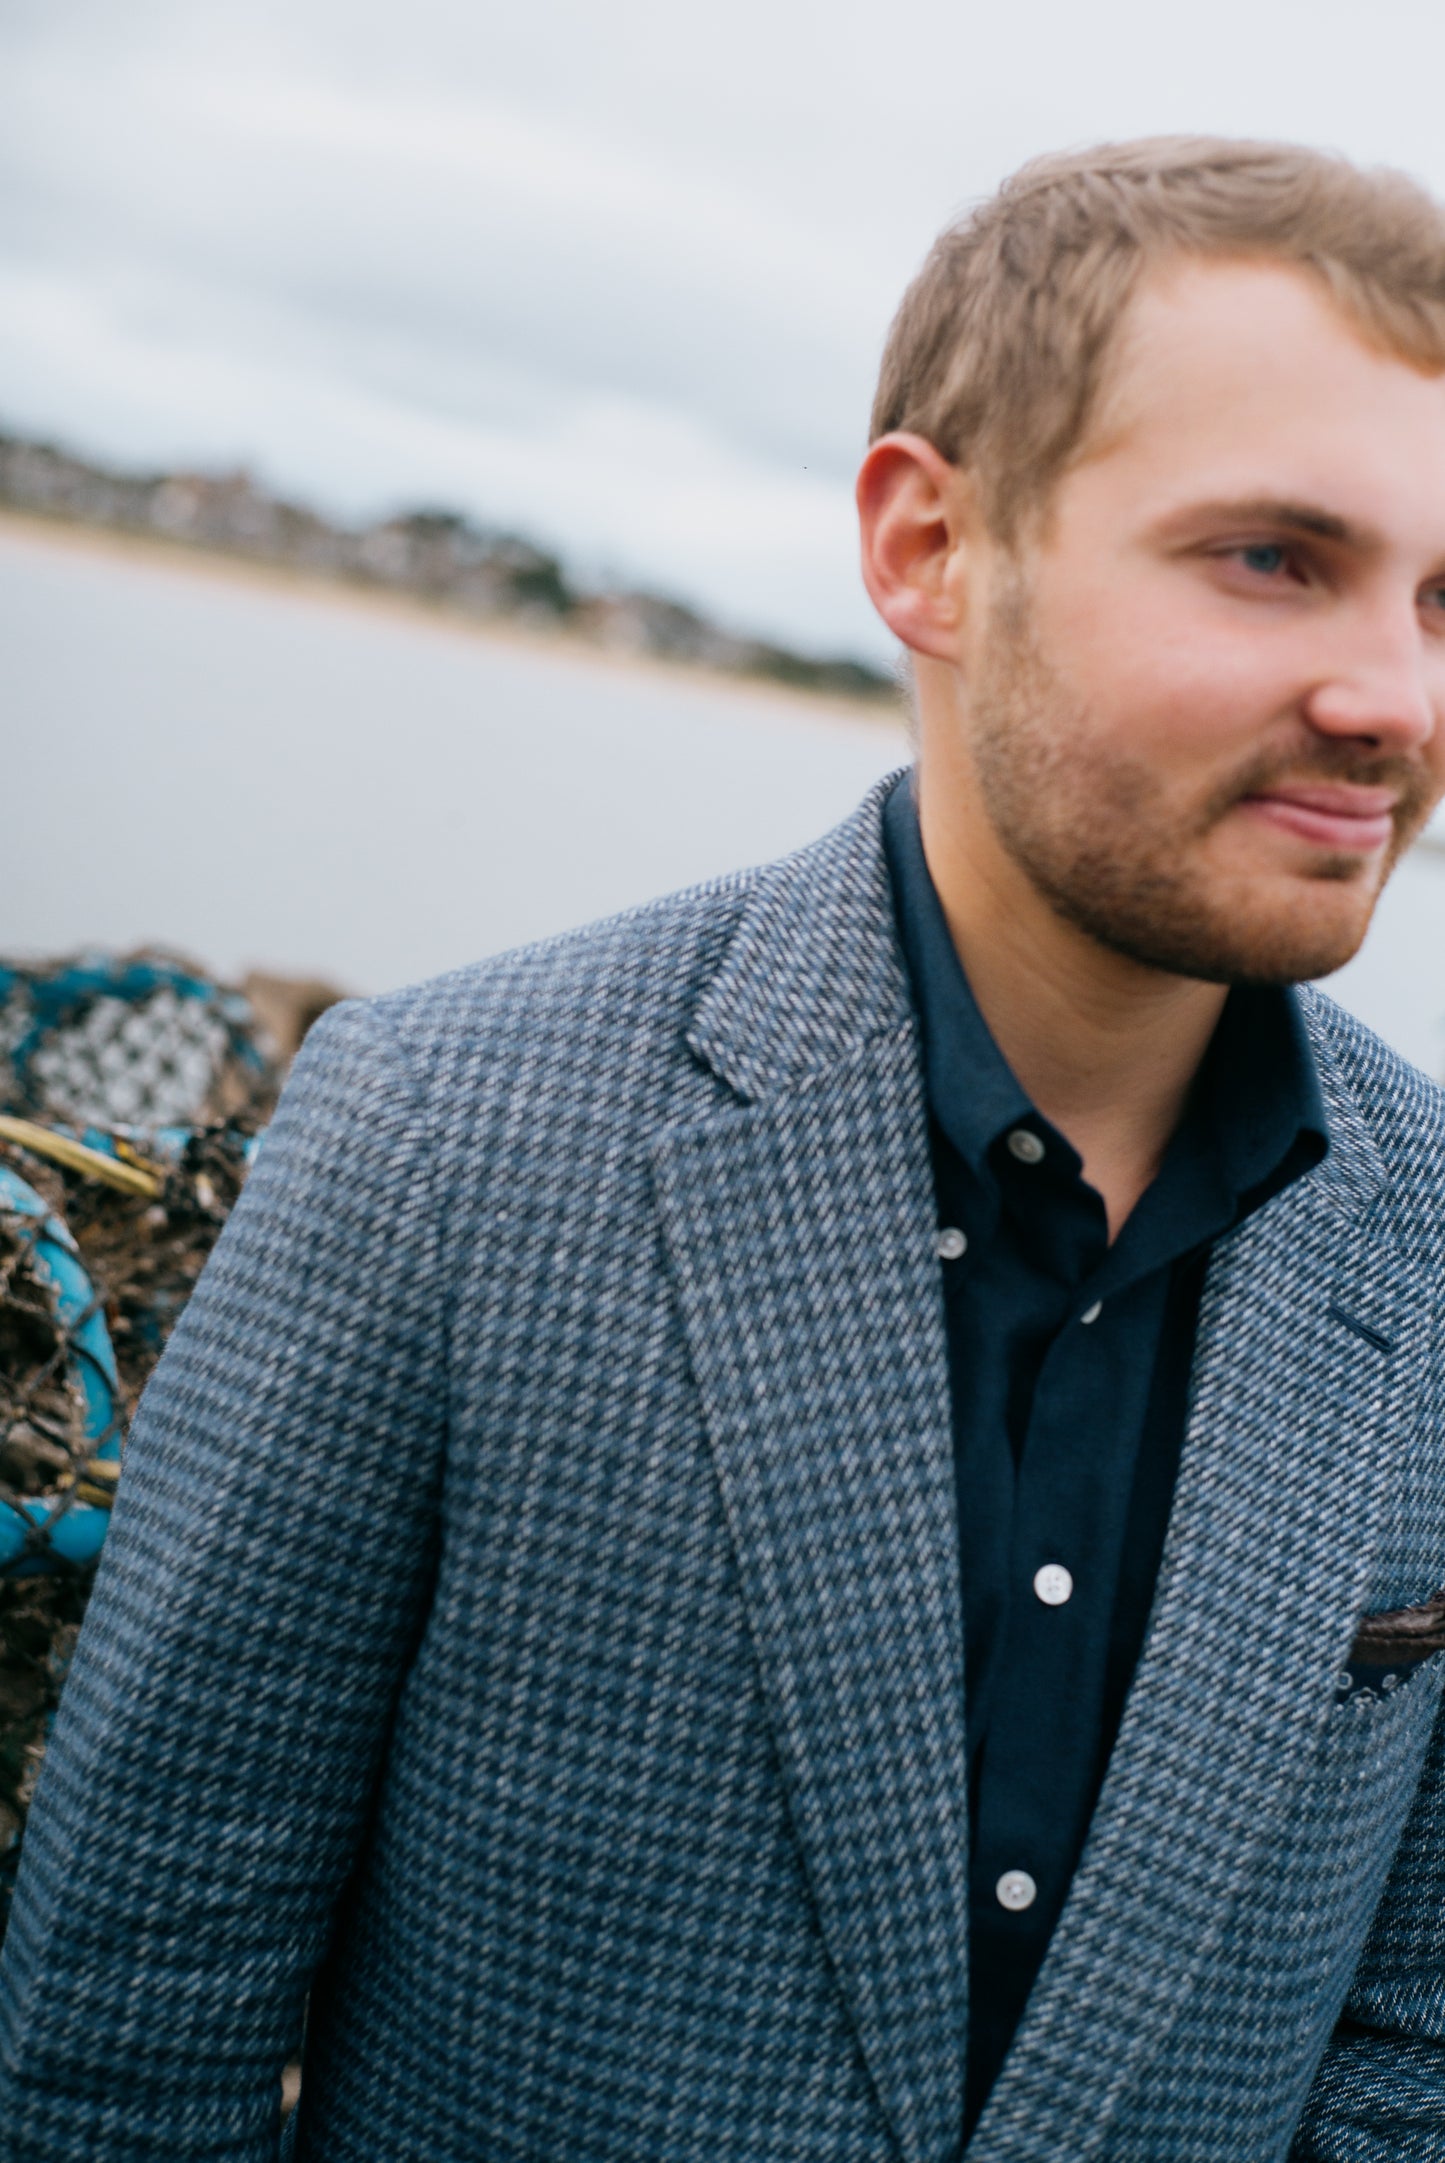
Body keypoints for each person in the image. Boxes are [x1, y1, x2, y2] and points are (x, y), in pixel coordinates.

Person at [5, 135, 1445, 2163]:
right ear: (930, 546)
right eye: (1274, 556)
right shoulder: (443, 1139)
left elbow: (1419, 2029)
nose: (1394, 694)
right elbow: (126, 2033)